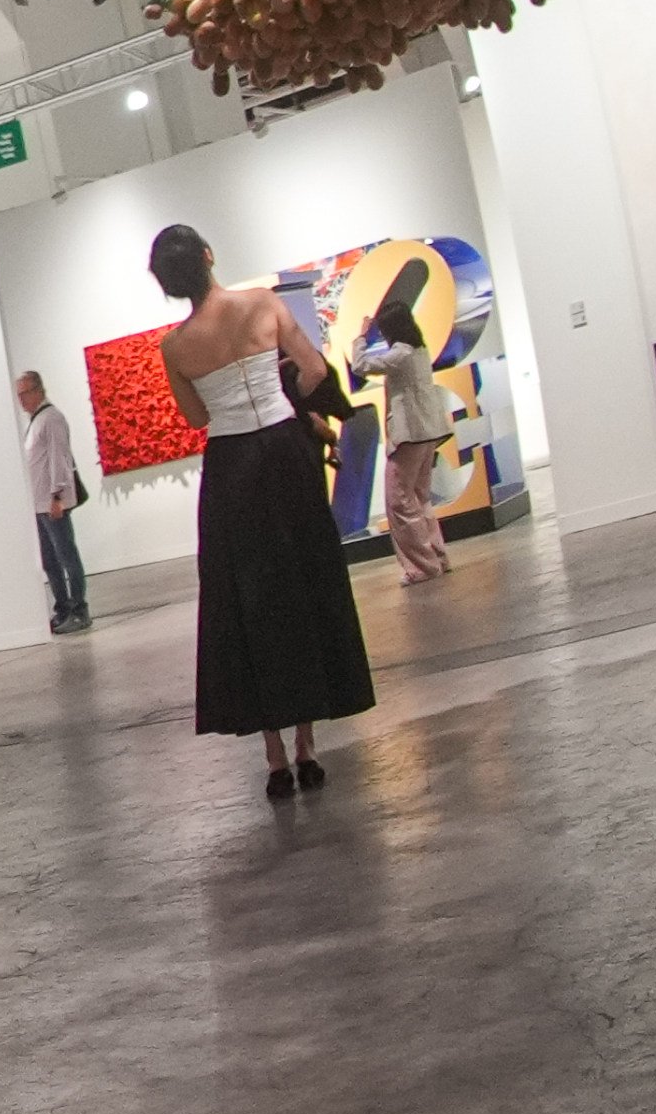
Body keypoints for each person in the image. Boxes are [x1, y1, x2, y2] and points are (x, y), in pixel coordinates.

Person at [151, 225, 376, 799]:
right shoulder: (263, 304)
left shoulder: (175, 348)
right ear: (209, 254)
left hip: (232, 469)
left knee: (252, 601)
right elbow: (315, 370)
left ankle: (273, 754)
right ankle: (307, 746)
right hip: (283, 453)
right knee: (304, 583)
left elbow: (198, 419)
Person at [357, 301, 457, 585]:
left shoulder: (400, 354)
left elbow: (361, 365)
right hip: (428, 431)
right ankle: (437, 557)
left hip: (410, 434)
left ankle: (422, 566)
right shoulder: (419, 351)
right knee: (420, 498)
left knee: (399, 501)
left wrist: (361, 337)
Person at [19, 371, 93, 634]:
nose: (21, 400)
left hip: (52, 503)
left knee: (67, 556)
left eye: (24, 393)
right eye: (19, 395)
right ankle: (62, 608)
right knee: (50, 561)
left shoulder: (52, 418)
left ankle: (79, 610)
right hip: (39, 505)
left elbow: (59, 459)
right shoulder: (36, 421)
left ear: (38, 390)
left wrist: (57, 497)